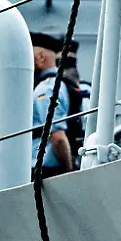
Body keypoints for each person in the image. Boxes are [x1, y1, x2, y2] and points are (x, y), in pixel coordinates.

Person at [31, 32, 73, 177]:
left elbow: (58, 138)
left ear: (41, 57)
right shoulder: (60, 84)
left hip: (48, 171)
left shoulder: (46, 89)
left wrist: (69, 172)